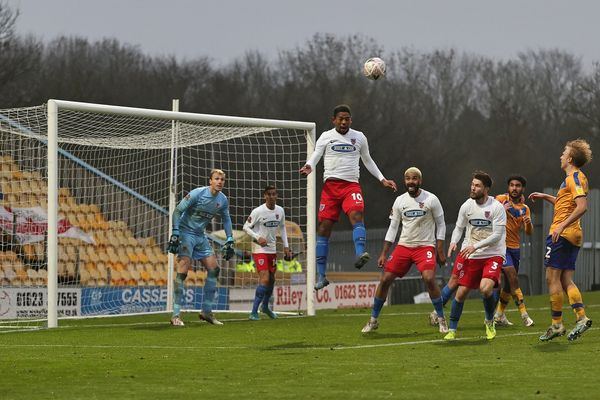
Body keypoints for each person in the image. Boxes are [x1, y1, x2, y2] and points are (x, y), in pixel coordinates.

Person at [299, 104, 397, 290]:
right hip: (330, 188)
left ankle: (360, 253)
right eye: (340, 119)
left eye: (347, 119)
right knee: (324, 228)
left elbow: (367, 159)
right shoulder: (326, 136)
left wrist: (382, 179)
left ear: (351, 120)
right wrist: (309, 166)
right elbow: (316, 155)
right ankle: (321, 276)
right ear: (334, 120)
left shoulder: (359, 137)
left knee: (356, 214)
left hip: (351, 186)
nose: (343, 122)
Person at [361, 167, 448, 333]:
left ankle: (441, 319)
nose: (411, 182)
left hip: (425, 246)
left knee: (429, 278)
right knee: (385, 279)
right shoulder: (399, 201)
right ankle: (373, 320)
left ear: (420, 181)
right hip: (404, 246)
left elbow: (441, 224)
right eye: (408, 178)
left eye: (414, 178)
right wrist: (384, 253)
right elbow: (393, 228)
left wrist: (440, 250)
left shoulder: (431, 199)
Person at [529, 139, 593, 341]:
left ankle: (557, 325)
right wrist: (545, 197)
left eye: (563, 152)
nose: (561, 156)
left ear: (570, 158)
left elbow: (582, 206)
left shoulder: (573, 177)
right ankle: (581, 318)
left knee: (552, 278)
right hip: (573, 235)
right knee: (565, 279)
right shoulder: (578, 178)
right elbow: (567, 203)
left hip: (563, 234)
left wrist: (561, 225)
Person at [167, 169, 235, 326]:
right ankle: (175, 315)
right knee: (183, 268)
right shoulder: (197, 193)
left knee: (214, 268)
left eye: (222, 179)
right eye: (217, 179)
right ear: (210, 180)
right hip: (186, 233)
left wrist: (230, 238)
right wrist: (176, 232)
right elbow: (177, 211)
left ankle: (206, 311)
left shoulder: (222, 200)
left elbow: (226, 219)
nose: (220, 182)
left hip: (200, 235)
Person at [444, 171, 506, 341]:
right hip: (472, 255)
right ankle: (452, 330)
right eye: (472, 184)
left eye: (477, 185)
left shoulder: (497, 208)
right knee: (461, 293)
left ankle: (489, 321)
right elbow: (459, 227)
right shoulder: (466, 206)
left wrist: (475, 246)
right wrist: (453, 242)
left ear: (486, 189)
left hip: (493, 254)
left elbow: (497, 236)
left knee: (485, 288)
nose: (473, 187)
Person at [243, 185, 292, 321]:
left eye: (274, 194)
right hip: (259, 249)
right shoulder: (258, 211)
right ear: (265, 196)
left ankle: (265, 307)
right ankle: (253, 312)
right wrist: (258, 237)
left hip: (272, 249)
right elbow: (245, 227)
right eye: (269, 194)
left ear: (276, 195)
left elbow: (282, 228)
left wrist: (286, 247)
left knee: (271, 280)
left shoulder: (280, 211)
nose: (271, 196)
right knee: (264, 278)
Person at [493, 175, 534, 327]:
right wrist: (500, 210)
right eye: (512, 185)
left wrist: (528, 224)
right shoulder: (500, 199)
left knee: (510, 285)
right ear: (508, 187)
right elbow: (488, 215)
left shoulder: (525, 209)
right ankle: (524, 315)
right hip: (500, 247)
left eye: (517, 186)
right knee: (512, 276)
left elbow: (529, 232)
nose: (514, 188)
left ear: (522, 189)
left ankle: (499, 315)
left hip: (515, 248)